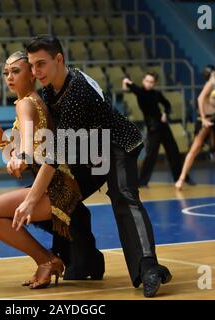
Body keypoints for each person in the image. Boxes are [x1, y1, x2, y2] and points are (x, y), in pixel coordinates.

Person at [9, 35, 172, 298]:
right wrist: (20, 153)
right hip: (86, 151)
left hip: (116, 145)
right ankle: (85, 260)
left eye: (41, 64)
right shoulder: (50, 89)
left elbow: (55, 155)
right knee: (63, 194)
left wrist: (30, 199)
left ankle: (149, 268)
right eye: (32, 65)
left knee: (124, 197)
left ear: (59, 59)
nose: (36, 71)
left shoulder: (77, 92)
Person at [0, 51, 105, 289]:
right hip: (56, 185)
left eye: (16, 71)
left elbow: (24, 148)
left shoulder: (26, 104)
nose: (9, 77)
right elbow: (15, 154)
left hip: (55, 189)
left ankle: (47, 260)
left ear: (32, 74)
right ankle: (50, 260)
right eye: (6, 72)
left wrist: (22, 157)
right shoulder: (32, 101)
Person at [122, 73, 195, 187]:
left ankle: (182, 177)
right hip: (153, 128)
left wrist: (165, 113)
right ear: (143, 80)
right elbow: (126, 83)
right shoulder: (140, 92)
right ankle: (142, 181)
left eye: (151, 82)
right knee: (151, 155)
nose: (148, 83)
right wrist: (126, 81)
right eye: (147, 81)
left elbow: (167, 104)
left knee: (173, 152)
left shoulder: (156, 93)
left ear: (154, 83)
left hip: (163, 126)